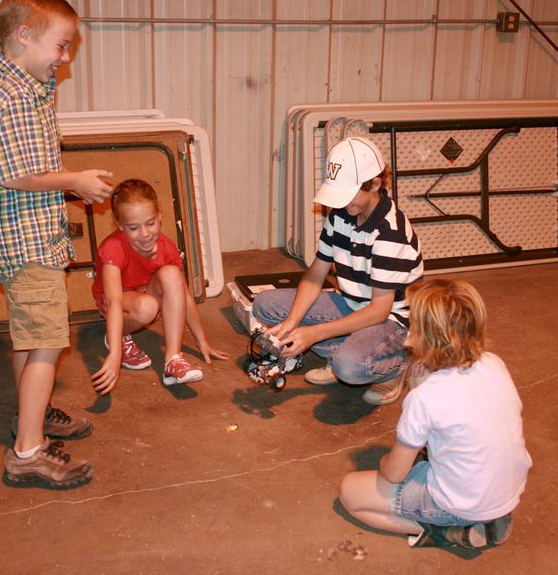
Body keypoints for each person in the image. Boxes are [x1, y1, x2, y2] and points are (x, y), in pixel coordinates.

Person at [0, 0, 114, 489]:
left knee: (30, 336)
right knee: (47, 343)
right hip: (26, 241)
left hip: (28, 234)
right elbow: (17, 174)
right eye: (61, 45)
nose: (65, 56)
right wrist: (74, 181)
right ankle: (28, 451)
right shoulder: (16, 96)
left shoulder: (26, 85)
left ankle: (28, 417)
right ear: (24, 36)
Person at [339, 278, 532, 549]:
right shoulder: (494, 363)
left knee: (350, 492)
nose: (407, 336)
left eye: (414, 327)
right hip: (507, 491)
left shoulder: (425, 398)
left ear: (429, 339)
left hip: (460, 504)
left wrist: (385, 461)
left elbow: (394, 472)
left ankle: (442, 531)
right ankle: (489, 519)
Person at [253, 136, 423, 405]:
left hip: (389, 320)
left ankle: (393, 366)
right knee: (266, 305)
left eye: (348, 194)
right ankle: (344, 349)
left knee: (350, 367)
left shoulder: (391, 234)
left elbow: (380, 310)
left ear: (375, 184)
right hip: (350, 303)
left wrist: (315, 333)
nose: (342, 204)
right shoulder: (341, 215)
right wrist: (293, 321)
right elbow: (315, 274)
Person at [91, 178, 229, 394]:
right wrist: (115, 352)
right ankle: (117, 336)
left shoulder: (167, 248)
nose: (145, 234)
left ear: (160, 217)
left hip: (147, 297)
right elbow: (114, 301)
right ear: (120, 226)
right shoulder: (113, 248)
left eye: (150, 223)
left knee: (172, 274)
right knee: (147, 308)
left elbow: (184, 295)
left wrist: (202, 341)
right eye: (134, 228)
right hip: (118, 303)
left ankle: (173, 360)